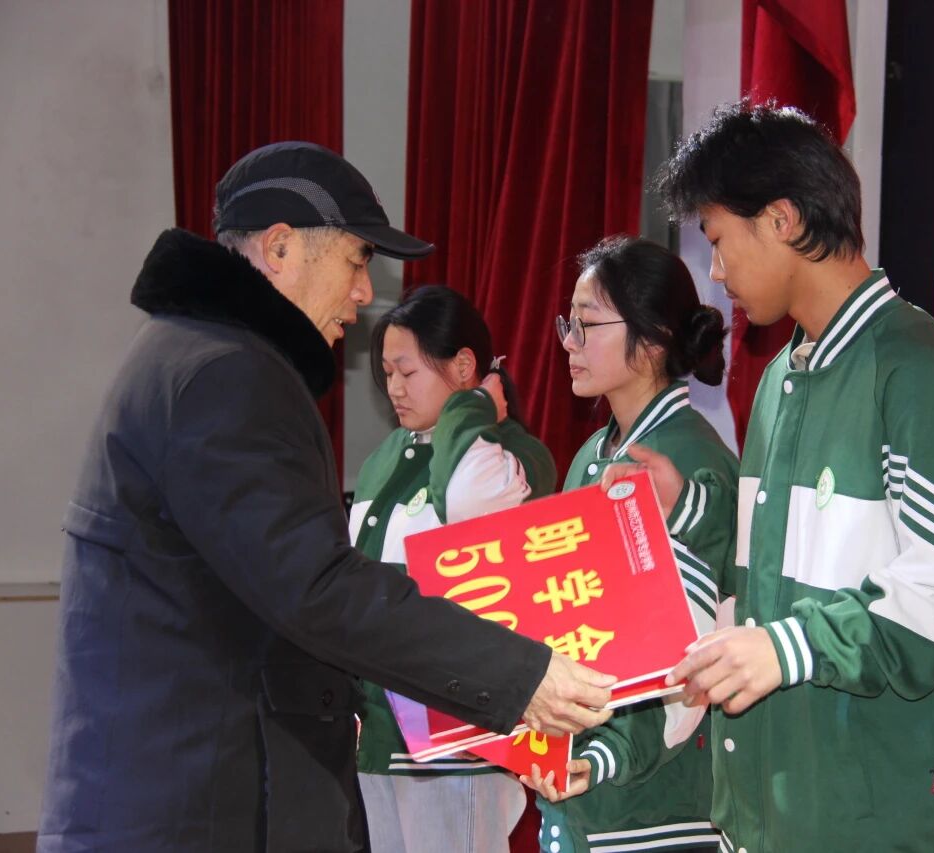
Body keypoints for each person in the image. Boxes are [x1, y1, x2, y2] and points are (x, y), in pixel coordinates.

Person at [37, 141, 614, 853]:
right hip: (193, 809)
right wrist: (521, 673)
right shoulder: (226, 377)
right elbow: (318, 589)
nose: (365, 293)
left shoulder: (190, 354)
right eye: (356, 260)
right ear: (280, 248)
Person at [618, 101, 934, 852]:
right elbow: (767, 589)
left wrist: (785, 647)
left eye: (719, 240)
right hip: (765, 813)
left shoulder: (915, 369)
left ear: (782, 220)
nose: (717, 272)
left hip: (865, 820)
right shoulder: (781, 376)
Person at [523, 236, 739, 852]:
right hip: (584, 788)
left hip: (654, 807)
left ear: (652, 340)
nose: (568, 342)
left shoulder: (691, 460)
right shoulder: (594, 455)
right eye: (568, 324)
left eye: (587, 324)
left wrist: (605, 756)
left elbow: (688, 662)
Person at [350, 285, 556, 853]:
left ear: (464, 366)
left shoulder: (511, 454)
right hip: (377, 739)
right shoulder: (384, 458)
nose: (394, 388)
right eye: (386, 373)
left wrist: (473, 408)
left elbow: (467, 502)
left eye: (407, 371)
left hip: (455, 743)